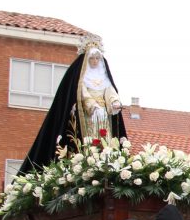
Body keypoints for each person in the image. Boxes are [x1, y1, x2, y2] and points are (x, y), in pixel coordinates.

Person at [19, 41, 127, 174]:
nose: (95, 61)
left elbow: (111, 93)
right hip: (89, 115)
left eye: (97, 58)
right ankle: (88, 161)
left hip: (104, 115)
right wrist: (92, 106)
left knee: (105, 142)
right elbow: (82, 93)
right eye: (92, 58)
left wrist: (115, 103)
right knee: (89, 141)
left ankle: (105, 163)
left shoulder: (104, 77)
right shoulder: (81, 77)